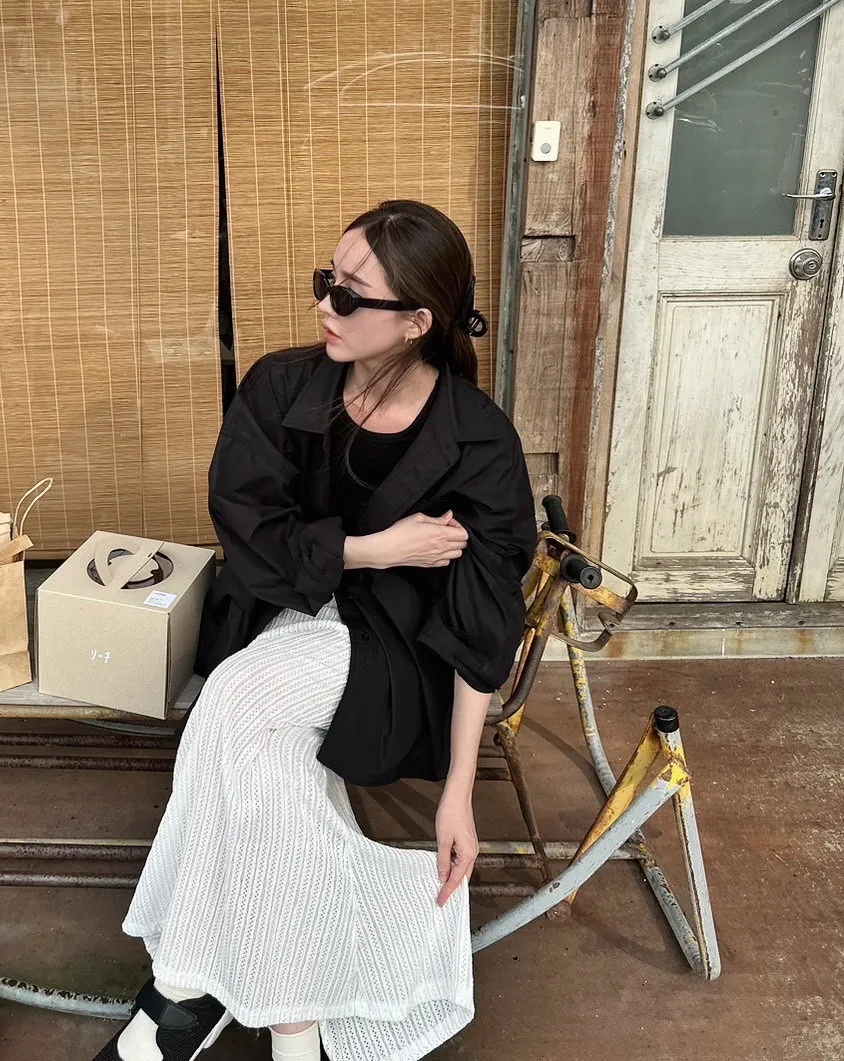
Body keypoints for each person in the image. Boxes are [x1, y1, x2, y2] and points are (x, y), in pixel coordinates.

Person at [109, 199, 537, 1061]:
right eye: (326, 281)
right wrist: (377, 547)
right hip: (275, 613)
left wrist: (459, 787)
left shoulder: (479, 442)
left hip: (398, 658)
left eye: (348, 294)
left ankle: (182, 989)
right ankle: (294, 1027)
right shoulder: (280, 386)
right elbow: (248, 531)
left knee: (232, 703)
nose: (323, 306)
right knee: (267, 765)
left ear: (417, 321)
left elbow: (480, 625)